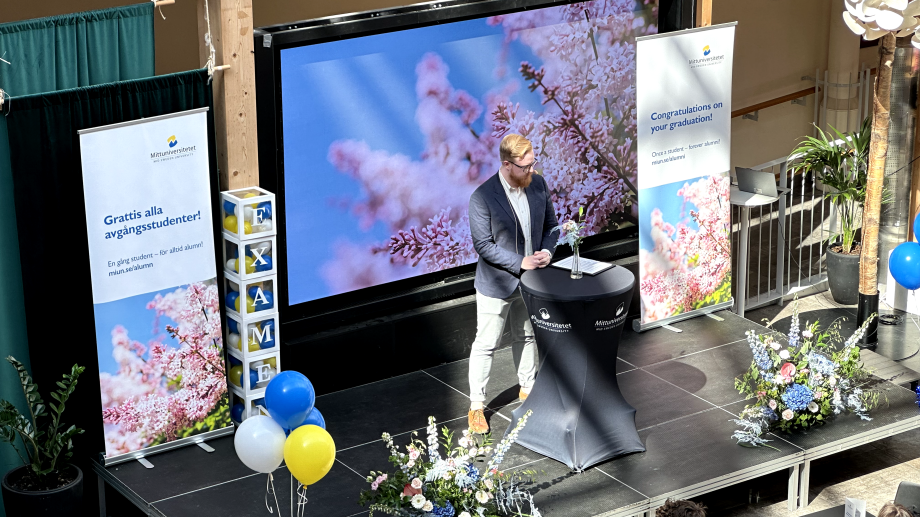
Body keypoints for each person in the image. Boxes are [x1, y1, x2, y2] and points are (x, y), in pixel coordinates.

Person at [466, 133, 559, 434]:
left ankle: (528, 391)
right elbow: (484, 245)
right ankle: (476, 407)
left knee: (527, 336)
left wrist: (546, 251)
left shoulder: (538, 185)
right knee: (486, 344)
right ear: (507, 165)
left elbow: (552, 227)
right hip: (497, 284)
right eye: (525, 167)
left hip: (531, 281)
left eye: (533, 164)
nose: (531, 171)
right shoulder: (482, 197)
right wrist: (521, 262)